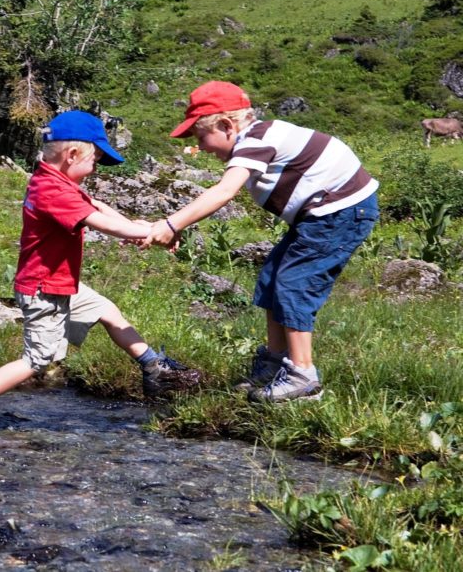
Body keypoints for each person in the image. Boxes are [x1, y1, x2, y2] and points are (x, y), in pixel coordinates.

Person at [0, 111, 203, 428]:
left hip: (59, 283)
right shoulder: (51, 191)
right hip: (44, 289)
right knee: (38, 358)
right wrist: (151, 232)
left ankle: (154, 369)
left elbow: (98, 208)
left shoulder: (55, 181)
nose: (94, 170)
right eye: (95, 161)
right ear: (73, 154)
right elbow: (100, 222)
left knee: (106, 309)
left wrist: (140, 225)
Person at [144, 81, 379, 402]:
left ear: (227, 125)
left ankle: (302, 376)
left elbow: (225, 191)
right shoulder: (258, 137)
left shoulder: (254, 141)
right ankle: (274, 363)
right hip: (324, 214)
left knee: (294, 284)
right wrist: (180, 225)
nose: (203, 147)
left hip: (341, 212)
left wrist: (172, 224)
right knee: (271, 279)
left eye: (202, 138)